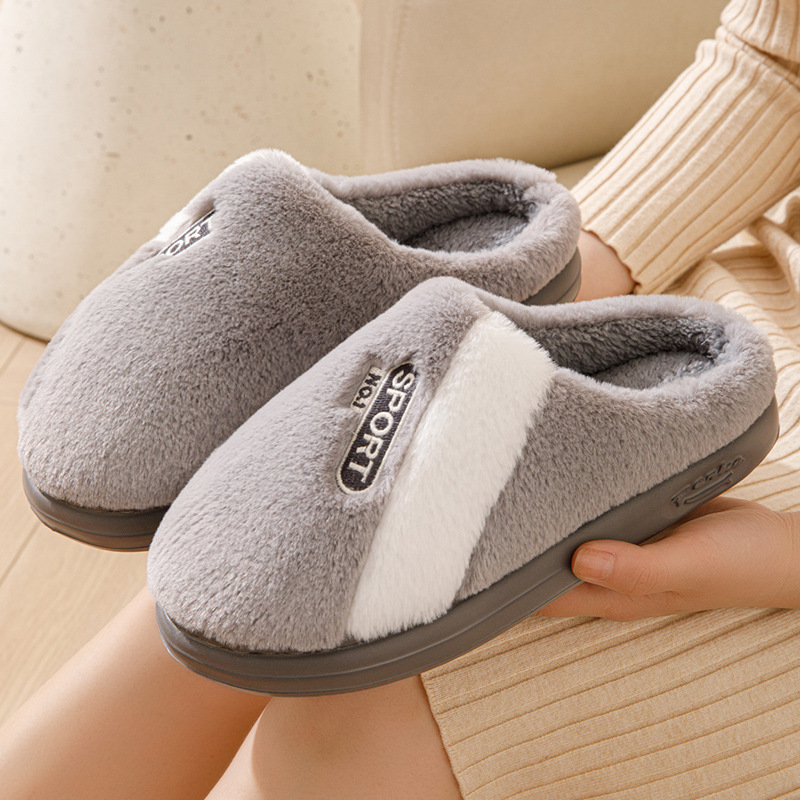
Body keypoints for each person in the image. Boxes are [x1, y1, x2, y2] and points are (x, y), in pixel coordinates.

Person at [3, 0, 800, 796]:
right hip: (732, 329)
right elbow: (777, 62)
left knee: (345, 717)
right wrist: (583, 265)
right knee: (230, 569)